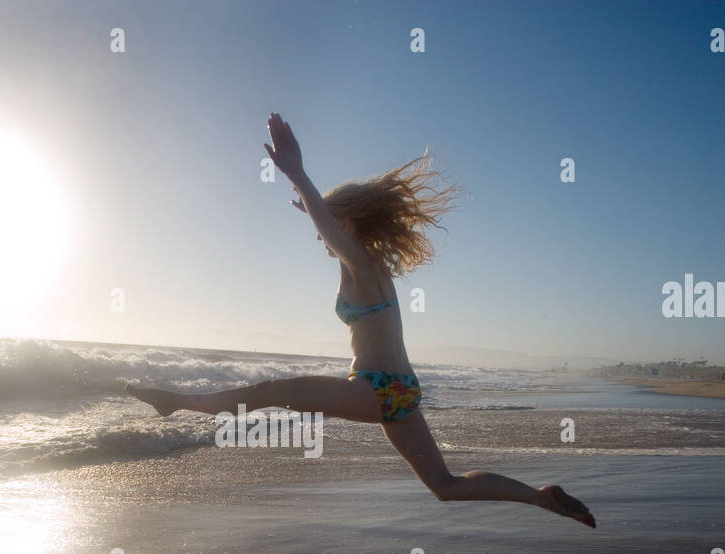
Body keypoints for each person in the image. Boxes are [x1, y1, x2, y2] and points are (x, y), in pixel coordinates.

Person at [128, 113, 594, 528]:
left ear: (345, 225)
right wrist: (303, 197)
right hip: (399, 390)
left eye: (326, 227)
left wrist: (298, 173)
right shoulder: (368, 267)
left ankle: (177, 401)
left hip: (376, 387)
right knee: (445, 486)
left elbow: (331, 229)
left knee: (270, 392)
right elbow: (328, 226)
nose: (320, 237)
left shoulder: (361, 264)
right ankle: (537, 496)